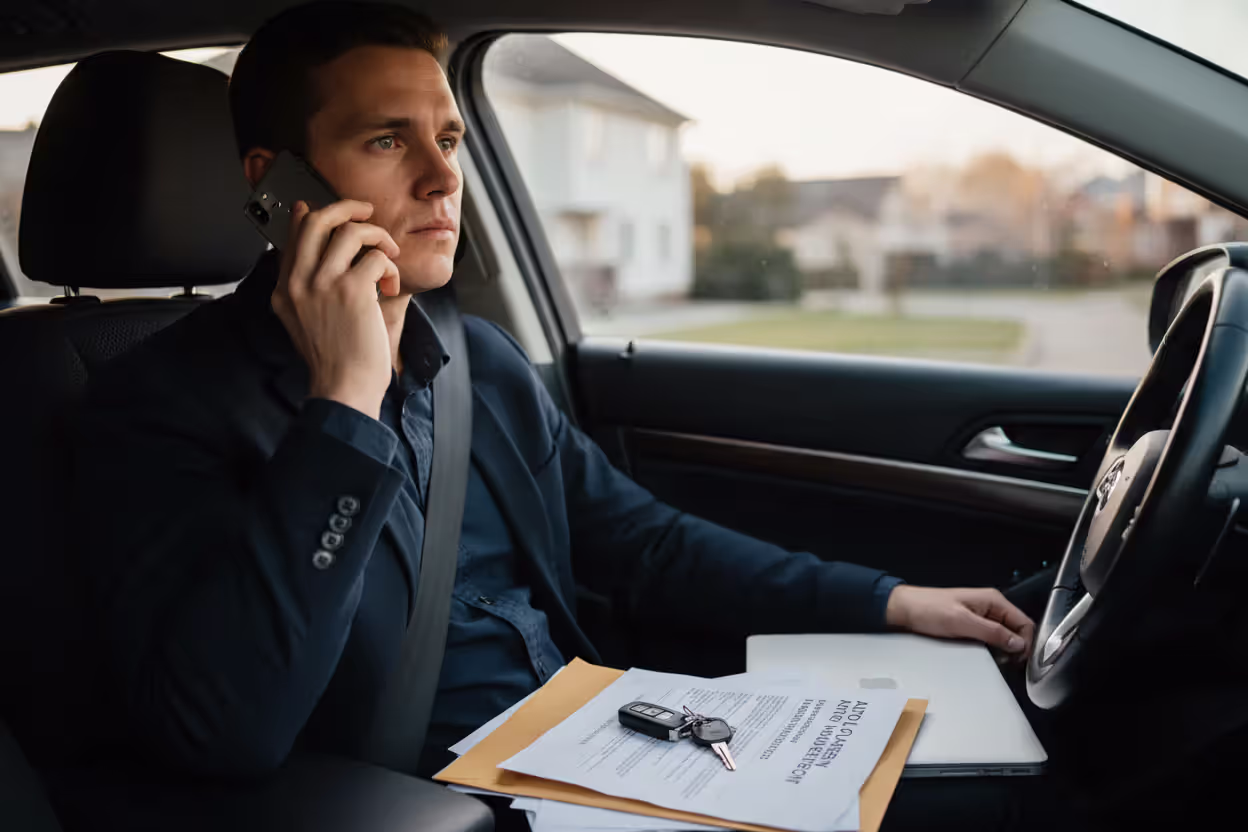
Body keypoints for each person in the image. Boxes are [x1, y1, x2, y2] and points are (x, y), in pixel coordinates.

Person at [73, 0, 1041, 823]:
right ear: (274, 186)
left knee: (999, 780)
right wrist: (346, 403)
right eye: (384, 140)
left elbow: (640, 541)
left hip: (604, 746)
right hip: (440, 800)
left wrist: (886, 599)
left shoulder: (472, 360)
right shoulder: (155, 406)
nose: (442, 177)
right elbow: (224, 729)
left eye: (445, 138)